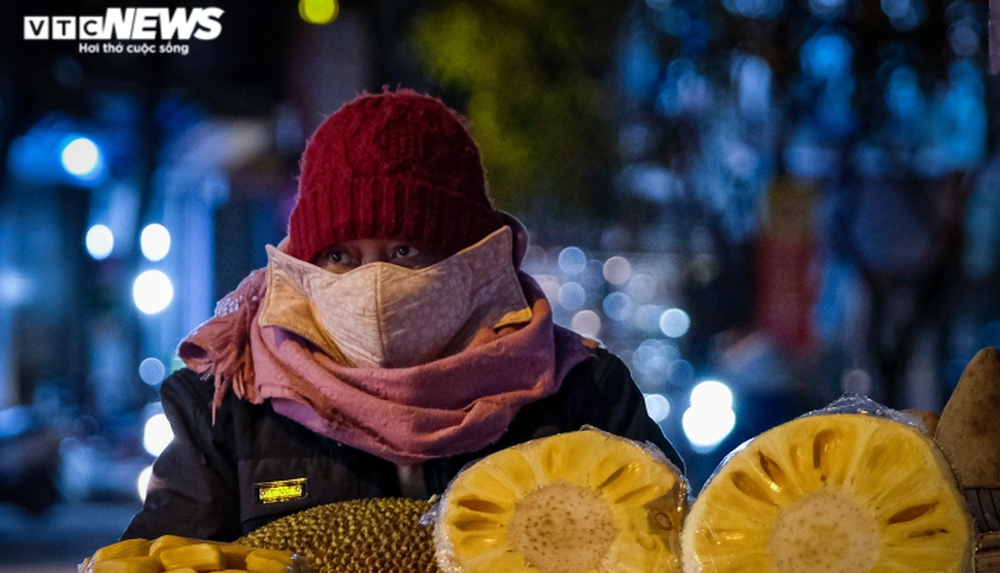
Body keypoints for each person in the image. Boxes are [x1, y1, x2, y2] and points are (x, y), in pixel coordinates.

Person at [122, 88, 683, 542]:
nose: (373, 283)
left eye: (406, 251)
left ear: (471, 258)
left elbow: (669, 562)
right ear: (303, 264)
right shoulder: (228, 408)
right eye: (341, 256)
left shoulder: (582, 393)